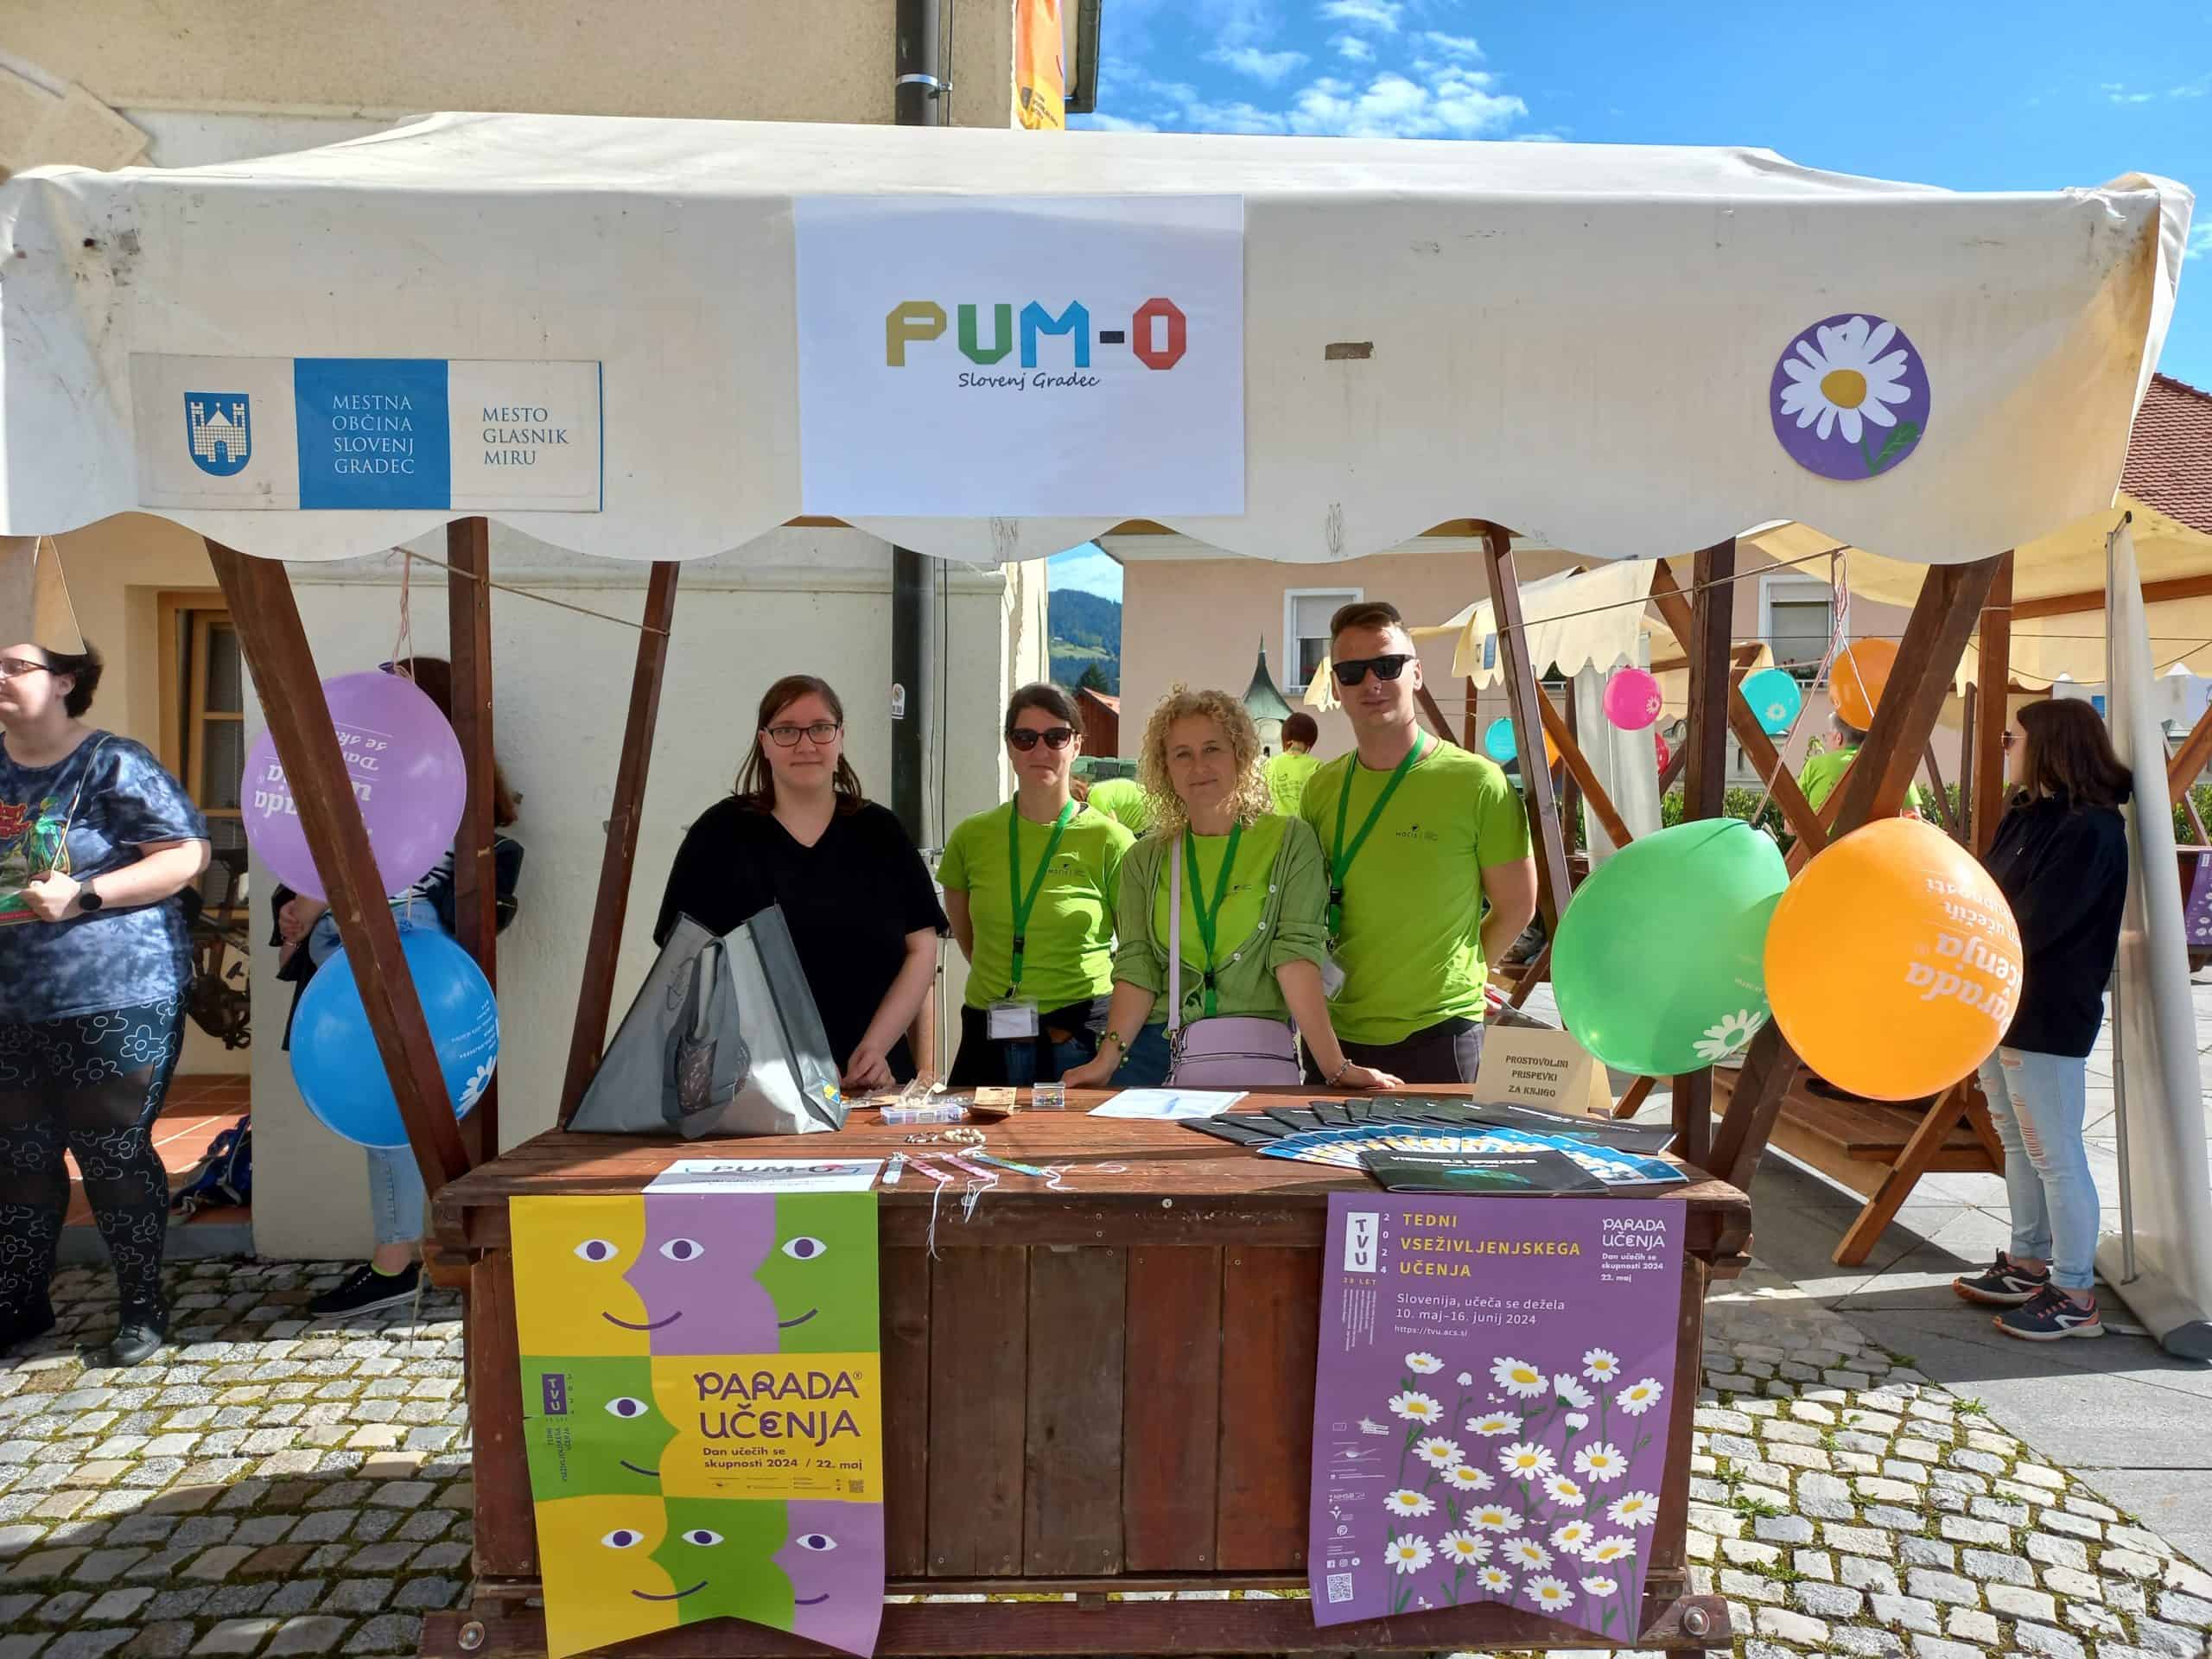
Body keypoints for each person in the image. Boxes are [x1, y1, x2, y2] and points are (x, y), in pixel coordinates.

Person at [296, 657, 525, 1322]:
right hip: (390, 938)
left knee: (392, 1110)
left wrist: (310, 906)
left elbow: (378, 864)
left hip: (392, 936)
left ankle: (395, 1262)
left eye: (393, 696)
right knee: (400, 1107)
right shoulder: (445, 778)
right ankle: (411, 1253)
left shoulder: (418, 778)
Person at [0, 641, 209, 1365]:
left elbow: (185, 855)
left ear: (65, 681)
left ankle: (142, 1308)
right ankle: (21, 1303)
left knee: (111, 1150)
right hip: (10, 1001)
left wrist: (86, 894)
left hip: (114, 990)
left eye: (14, 666)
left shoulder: (112, 762)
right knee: (18, 1155)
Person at [1063, 688, 1398, 1092]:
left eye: (1212, 749)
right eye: (1182, 754)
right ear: (1165, 768)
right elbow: (1138, 967)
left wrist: (1334, 1066)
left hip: (1256, 1055)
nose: (1198, 766)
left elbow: (1296, 956)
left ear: (1240, 755)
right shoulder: (1144, 859)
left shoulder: (1290, 842)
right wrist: (1105, 1060)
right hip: (1158, 1056)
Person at [657, 675, 946, 1090]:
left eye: (821, 728)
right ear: (764, 742)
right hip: (752, 1084)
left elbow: (921, 948)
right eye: (787, 730)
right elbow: (687, 958)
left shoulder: (881, 832)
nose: (806, 744)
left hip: (870, 1080)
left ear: (840, 737)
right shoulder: (720, 834)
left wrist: (874, 1048)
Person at [1298, 601, 1537, 1083]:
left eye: (1388, 665)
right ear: (1337, 687)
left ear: (1417, 674)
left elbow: (1518, 906)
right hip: (1337, 1036)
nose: (1371, 682)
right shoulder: (1322, 789)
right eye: (1352, 672)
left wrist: (1462, 975)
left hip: (1441, 1032)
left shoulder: (1477, 782)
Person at [1952, 698, 2131, 1341]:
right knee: (2018, 1138)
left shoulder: (2093, 830)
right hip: (2000, 1005)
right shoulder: (2028, 813)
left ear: (2050, 747)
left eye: (2012, 739)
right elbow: (1988, 893)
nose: (2005, 748)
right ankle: (2029, 1262)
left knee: (2054, 1151)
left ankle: (2076, 1292)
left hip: (2049, 1011)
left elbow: (2036, 921)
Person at [939, 684, 1132, 1085]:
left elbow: (1135, 953)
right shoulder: (971, 837)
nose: (1040, 749)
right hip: (988, 1035)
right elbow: (970, 939)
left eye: (1055, 736)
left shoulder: (1110, 840)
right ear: (1010, 747)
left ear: (1076, 745)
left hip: (1077, 1039)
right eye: (1025, 737)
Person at [1799, 709, 1923, 817]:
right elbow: (1913, 818)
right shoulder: (1892, 765)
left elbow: (1791, 826)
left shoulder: (1814, 766)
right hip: (1874, 837)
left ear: (1838, 737)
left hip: (1822, 838)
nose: (1827, 741)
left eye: (1827, 736)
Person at [1266, 711, 1323, 817]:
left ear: (1285, 736)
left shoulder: (1269, 764)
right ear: (1311, 739)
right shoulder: (1317, 766)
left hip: (1276, 825)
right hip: (1304, 825)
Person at [1086, 773, 1153, 835]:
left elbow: (1114, 832)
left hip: (1145, 815)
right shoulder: (1096, 790)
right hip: (1149, 800)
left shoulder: (1095, 800)